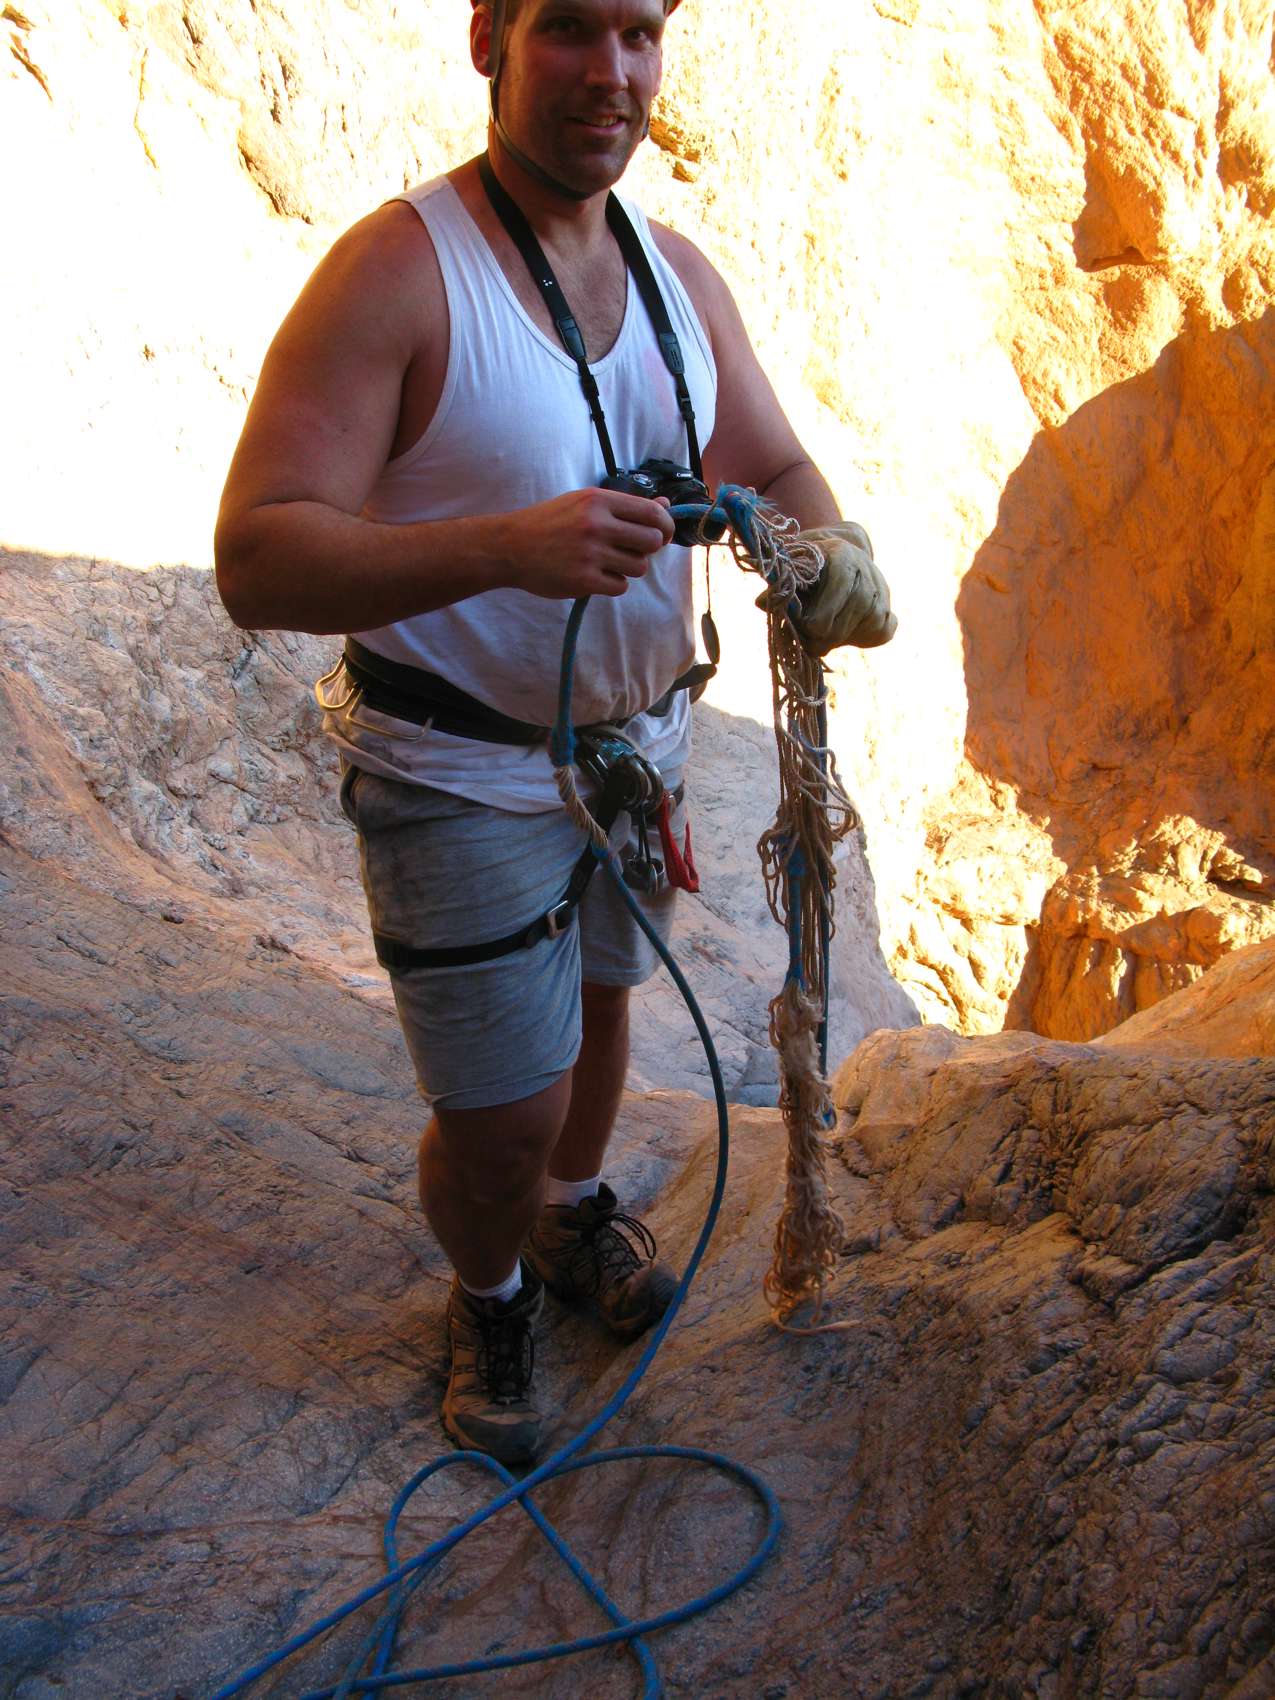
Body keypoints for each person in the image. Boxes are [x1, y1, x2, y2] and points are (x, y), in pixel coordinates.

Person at [214, 0, 894, 1465]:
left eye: (640, 33)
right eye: (572, 29)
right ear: (490, 39)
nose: (613, 73)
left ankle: (572, 1215)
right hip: (458, 770)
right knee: (501, 1115)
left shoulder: (675, 276)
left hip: (633, 757)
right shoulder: (400, 276)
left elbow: (772, 460)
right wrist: (505, 548)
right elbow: (258, 557)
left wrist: (830, 550)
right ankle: (493, 1289)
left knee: (600, 1014)